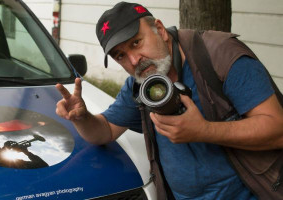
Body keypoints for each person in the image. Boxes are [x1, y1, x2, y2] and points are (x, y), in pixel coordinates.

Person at [55, 2, 283, 199]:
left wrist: (204, 130)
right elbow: (104, 131)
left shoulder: (220, 56)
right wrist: (82, 118)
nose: (134, 60)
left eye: (136, 42)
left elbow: (277, 129)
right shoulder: (139, 84)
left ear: (160, 30)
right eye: (120, 55)